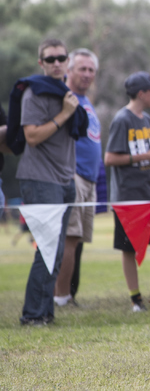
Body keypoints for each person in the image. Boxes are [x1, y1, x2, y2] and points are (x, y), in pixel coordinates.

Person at [10, 38, 88, 325]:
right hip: (40, 179)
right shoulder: (36, 93)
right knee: (46, 249)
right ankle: (32, 316)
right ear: (41, 63)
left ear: (67, 61)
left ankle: (45, 313)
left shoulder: (64, 92)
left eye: (61, 58)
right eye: (50, 59)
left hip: (64, 179)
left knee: (54, 251)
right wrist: (65, 114)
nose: (57, 63)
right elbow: (31, 136)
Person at [104, 71, 150, 312]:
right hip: (128, 198)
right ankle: (136, 299)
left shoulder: (147, 120)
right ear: (142, 93)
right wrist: (145, 155)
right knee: (129, 248)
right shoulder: (122, 119)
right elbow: (110, 158)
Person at [53, 48, 102, 306]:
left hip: (89, 179)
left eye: (91, 69)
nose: (86, 74)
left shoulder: (86, 101)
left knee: (77, 239)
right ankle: (60, 297)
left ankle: (68, 293)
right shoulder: (66, 98)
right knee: (70, 237)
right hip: (72, 175)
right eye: (81, 68)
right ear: (69, 70)